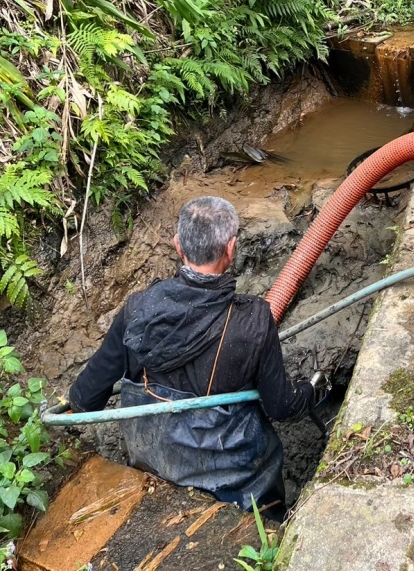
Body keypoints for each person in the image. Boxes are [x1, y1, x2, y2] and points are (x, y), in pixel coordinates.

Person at [68, 196, 318, 519]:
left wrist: (67, 405)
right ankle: (270, 519)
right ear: (231, 249)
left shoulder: (137, 310)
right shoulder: (254, 320)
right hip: (233, 478)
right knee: (266, 462)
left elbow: (86, 399)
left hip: (154, 463)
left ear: (177, 245)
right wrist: (311, 391)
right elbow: (281, 407)